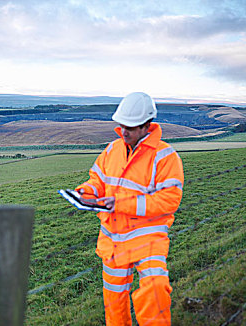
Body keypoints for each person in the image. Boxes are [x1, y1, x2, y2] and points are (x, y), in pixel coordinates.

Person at [75, 92, 184, 326]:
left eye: (131, 127)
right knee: (114, 304)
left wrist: (122, 204)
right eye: (122, 126)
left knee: (155, 290)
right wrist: (87, 191)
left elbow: (170, 199)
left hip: (148, 240)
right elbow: (98, 179)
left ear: (147, 126)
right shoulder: (112, 150)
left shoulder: (165, 157)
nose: (124, 132)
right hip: (112, 241)